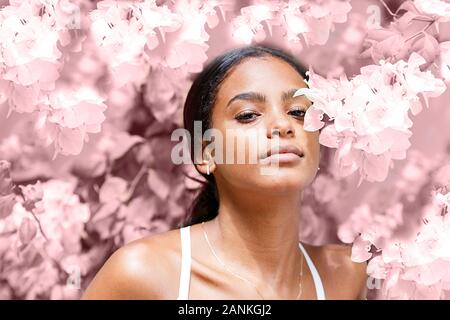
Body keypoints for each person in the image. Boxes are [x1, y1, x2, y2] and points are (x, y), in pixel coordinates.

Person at [82, 44, 368, 300]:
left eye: (298, 111)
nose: (283, 125)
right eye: (248, 115)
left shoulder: (348, 275)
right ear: (206, 153)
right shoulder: (143, 273)